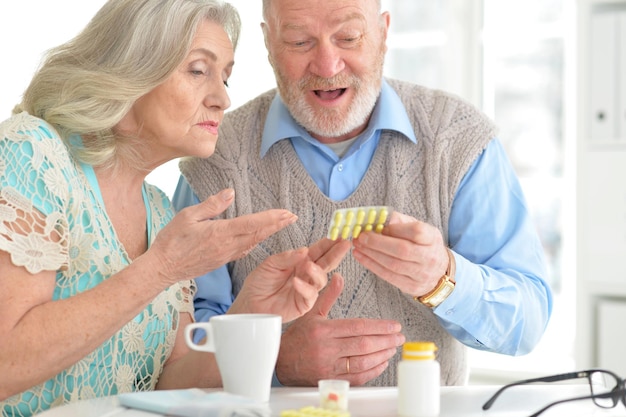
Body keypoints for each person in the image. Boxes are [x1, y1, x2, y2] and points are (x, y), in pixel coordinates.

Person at [173, 0, 553, 388]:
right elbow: (180, 352)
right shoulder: (214, 157)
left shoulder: (458, 141)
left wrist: (443, 278)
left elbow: (527, 324)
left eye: (348, 37)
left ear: (384, 33)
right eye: (300, 41)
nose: (326, 65)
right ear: (269, 43)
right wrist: (276, 360)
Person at [0, 1, 352, 416]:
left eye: (225, 77)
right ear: (130, 69)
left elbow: (172, 383)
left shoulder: (159, 210)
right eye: (198, 70)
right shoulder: (33, 152)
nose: (222, 97)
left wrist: (251, 313)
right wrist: (162, 268)